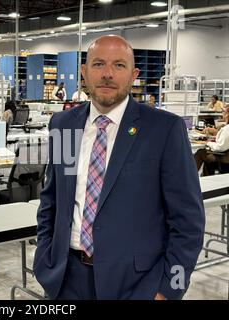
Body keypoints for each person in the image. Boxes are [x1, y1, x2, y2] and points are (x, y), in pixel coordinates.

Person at [33, 35, 205, 300]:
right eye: (98, 64)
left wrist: (170, 289)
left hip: (137, 285)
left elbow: (188, 221)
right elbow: (52, 200)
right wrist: (45, 259)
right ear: (84, 71)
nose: (107, 74)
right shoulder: (63, 124)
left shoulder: (164, 129)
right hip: (66, 280)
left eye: (119, 65)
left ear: (134, 74)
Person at [194, 107, 229, 175]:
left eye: (224, 112)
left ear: (228, 114)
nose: (222, 114)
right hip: (225, 156)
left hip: (224, 158)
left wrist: (208, 142)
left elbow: (220, 147)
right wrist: (213, 138)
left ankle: (190, 176)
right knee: (205, 155)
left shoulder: (227, 129)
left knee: (200, 153)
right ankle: (205, 176)